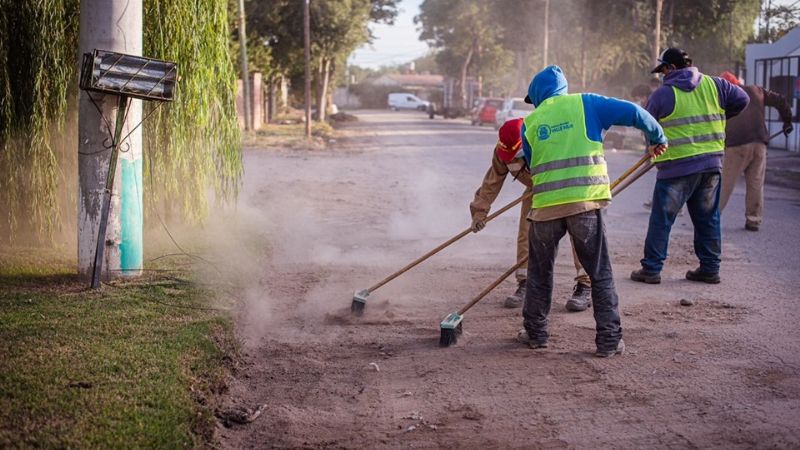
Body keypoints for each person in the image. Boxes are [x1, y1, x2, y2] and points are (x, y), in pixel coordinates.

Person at [516, 65, 667, 357]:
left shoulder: (530, 122)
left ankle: (536, 334)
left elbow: (533, 164)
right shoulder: (587, 103)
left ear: (537, 94)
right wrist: (657, 137)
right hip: (584, 205)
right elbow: (636, 113)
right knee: (599, 274)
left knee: (539, 273)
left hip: (545, 209)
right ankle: (609, 341)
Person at [630, 48, 749, 285]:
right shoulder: (716, 85)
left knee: (662, 219)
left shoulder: (663, 95)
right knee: (708, 218)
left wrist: (652, 147)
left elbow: (647, 125)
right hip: (710, 165)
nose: (662, 75)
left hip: (676, 167)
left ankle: (651, 269)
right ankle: (710, 268)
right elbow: (742, 99)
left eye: (663, 70)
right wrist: (721, 116)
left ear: (672, 68)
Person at [470, 118, 593, 311]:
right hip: (536, 190)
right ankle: (526, 282)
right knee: (526, 234)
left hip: (568, 188)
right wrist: (480, 211)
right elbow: (491, 182)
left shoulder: (548, 138)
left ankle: (585, 285)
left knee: (579, 235)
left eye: (515, 153)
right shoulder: (503, 149)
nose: (511, 158)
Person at [717, 71, 794, 232]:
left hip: (736, 145)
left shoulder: (723, 97)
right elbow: (780, 100)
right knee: (756, 182)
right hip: (759, 143)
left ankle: (712, 216)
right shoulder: (756, 90)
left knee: (725, 183)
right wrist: (787, 121)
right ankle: (753, 220)